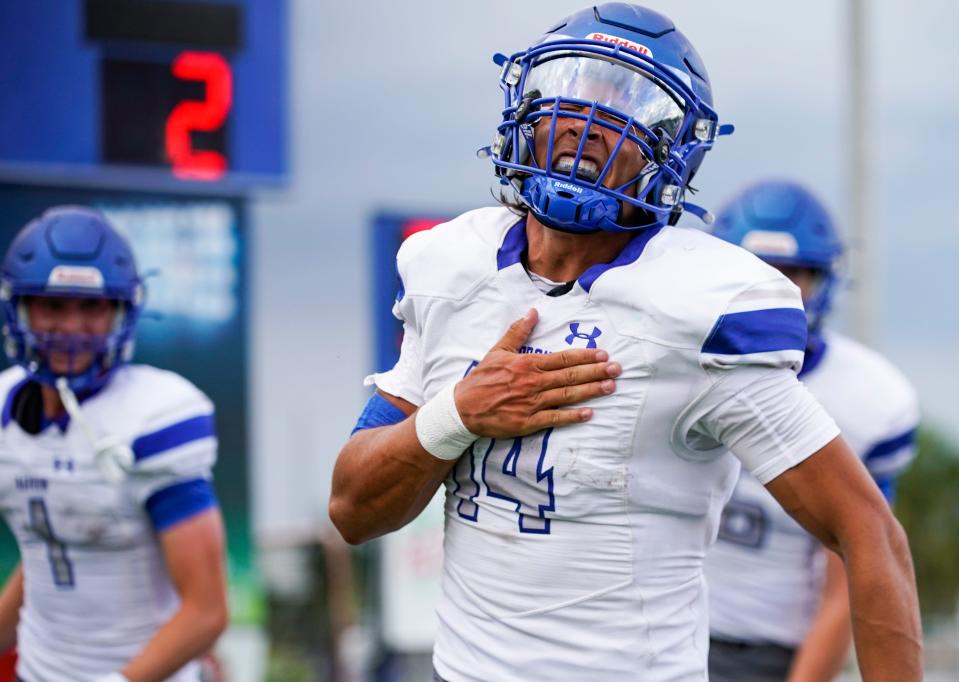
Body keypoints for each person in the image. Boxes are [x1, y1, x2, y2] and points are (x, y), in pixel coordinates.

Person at [329, 4, 921, 680]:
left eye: (624, 108)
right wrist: (455, 415)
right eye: (572, 94)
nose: (586, 125)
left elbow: (869, 533)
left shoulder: (697, 312)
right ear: (524, 109)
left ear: (670, 154)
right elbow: (352, 509)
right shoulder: (451, 267)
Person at [0, 206, 228, 681]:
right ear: (19, 308)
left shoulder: (154, 416)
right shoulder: (5, 407)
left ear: (122, 311)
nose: (71, 327)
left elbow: (206, 610)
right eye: (53, 305)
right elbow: (49, 549)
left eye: (91, 307)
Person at [704, 180, 920, 681]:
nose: (779, 289)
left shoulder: (870, 400)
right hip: (647, 633)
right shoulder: (669, 350)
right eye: (760, 272)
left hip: (763, 654)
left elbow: (852, 574)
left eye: (794, 274)